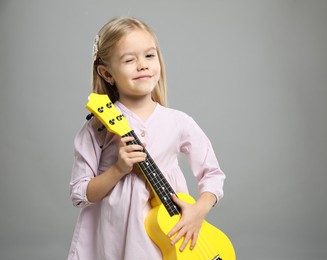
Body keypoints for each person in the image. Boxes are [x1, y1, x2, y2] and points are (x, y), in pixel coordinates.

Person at [68, 17, 226, 260]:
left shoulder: (178, 122)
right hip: (117, 236)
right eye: (130, 60)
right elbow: (80, 193)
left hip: (171, 232)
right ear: (107, 73)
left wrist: (198, 211)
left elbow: (213, 174)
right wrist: (118, 170)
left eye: (149, 56)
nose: (142, 65)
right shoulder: (99, 127)